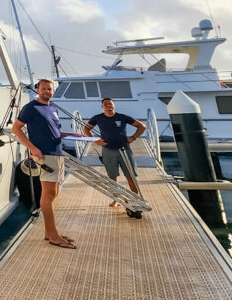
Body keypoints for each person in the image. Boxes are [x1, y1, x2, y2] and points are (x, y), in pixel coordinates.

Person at [12, 78, 75, 248]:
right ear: (38, 90)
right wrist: (32, 148)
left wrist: (74, 135)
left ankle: (49, 232)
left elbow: (55, 132)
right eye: (44, 88)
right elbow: (16, 128)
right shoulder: (31, 107)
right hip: (45, 155)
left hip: (57, 154)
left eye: (50, 89)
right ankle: (53, 236)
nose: (47, 91)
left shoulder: (52, 108)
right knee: (47, 196)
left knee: (53, 194)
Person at [82, 98, 147, 218]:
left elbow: (142, 126)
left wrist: (133, 137)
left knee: (131, 175)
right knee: (112, 176)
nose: (108, 106)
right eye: (105, 104)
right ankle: (116, 199)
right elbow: (86, 129)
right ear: (102, 106)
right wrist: (95, 140)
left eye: (110, 104)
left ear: (114, 106)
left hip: (124, 149)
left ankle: (135, 198)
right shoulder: (97, 118)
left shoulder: (122, 117)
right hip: (108, 150)